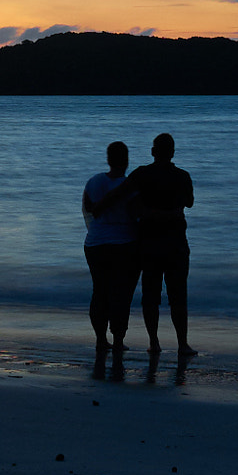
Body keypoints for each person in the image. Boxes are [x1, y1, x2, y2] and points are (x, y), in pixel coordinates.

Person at [99, 132, 196, 356]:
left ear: (153, 152)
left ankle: (154, 341)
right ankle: (182, 343)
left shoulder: (142, 174)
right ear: (172, 153)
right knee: (178, 295)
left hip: (149, 242)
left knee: (151, 295)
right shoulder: (182, 176)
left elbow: (118, 194)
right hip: (176, 243)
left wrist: (98, 208)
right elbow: (189, 203)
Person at [80, 141, 138, 352]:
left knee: (100, 291)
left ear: (108, 159)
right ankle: (119, 341)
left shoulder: (93, 182)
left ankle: (100, 339)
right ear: (127, 160)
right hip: (124, 244)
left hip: (95, 243)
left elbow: (87, 209)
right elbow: (135, 216)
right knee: (121, 294)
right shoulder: (131, 186)